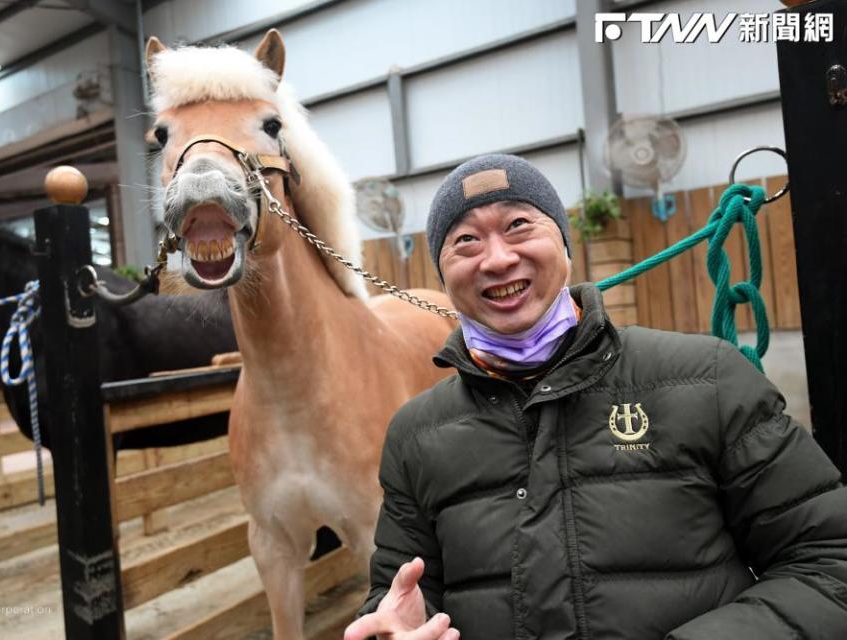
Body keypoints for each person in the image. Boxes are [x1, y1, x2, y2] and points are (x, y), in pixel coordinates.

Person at [344, 154, 847, 640]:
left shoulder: (706, 380)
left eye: (519, 225)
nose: (497, 259)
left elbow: (829, 559)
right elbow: (397, 599)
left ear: (565, 246)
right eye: (466, 241)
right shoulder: (416, 434)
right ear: (443, 276)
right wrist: (391, 632)